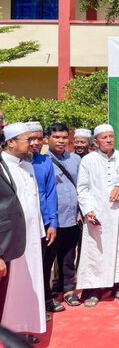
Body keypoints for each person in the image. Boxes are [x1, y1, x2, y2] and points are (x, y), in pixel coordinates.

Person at [76, 124, 119, 308]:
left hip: (117, 214)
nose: (108, 140)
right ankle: (93, 289)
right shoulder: (89, 160)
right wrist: (88, 210)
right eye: (104, 137)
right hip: (96, 214)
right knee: (95, 251)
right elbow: (82, 188)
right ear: (96, 141)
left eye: (111, 136)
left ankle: (118, 286)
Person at [0, 123, 45, 344]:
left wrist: (42, 230)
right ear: (10, 142)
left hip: (32, 239)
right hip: (9, 243)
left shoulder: (27, 166)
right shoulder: (2, 167)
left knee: (30, 286)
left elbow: (34, 202)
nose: (33, 143)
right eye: (27, 139)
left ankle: (25, 327)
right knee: (9, 292)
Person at [43, 123, 82, 310]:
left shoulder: (76, 159)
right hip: (52, 221)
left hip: (73, 218)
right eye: (56, 137)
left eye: (64, 137)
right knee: (48, 258)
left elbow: (82, 188)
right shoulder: (41, 161)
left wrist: (80, 212)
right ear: (47, 139)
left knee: (68, 256)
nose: (61, 141)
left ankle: (68, 290)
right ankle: (47, 293)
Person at [24, 122, 59, 313]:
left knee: (44, 265)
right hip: (22, 226)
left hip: (44, 224)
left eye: (39, 138)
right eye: (31, 138)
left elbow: (51, 193)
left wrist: (52, 222)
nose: (35, 143)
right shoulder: (14, 162)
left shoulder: (45, 162)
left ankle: (44, 301)